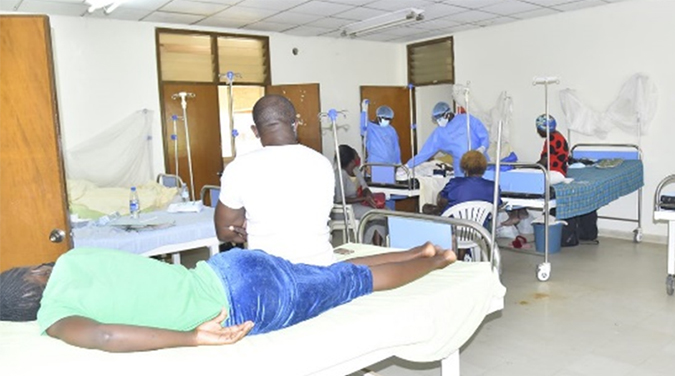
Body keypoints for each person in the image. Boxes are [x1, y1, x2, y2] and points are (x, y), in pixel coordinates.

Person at [0, 243, 455, 351]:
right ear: (28, 276)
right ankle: (422, 249)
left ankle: (437, 261)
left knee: (352, 284)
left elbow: (104, 335)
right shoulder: (72, 258)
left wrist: (194, 338)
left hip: (246, 300)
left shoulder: (56, 317)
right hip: (228, 265)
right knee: (333, 273)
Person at [215, 94, 336, 266]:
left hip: (269, 275)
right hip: (321, 268)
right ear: (295, 125)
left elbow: (225, 231)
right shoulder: (322, 163)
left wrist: (255, 228)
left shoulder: (239, 168)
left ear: (255, 131)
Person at [405, 102, 490, 177]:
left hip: (479, 162)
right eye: (436, 120)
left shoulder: (466, 119)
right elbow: (425, 152)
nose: (438, 122)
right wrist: (408, 166)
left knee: (482, 187)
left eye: (440, 118)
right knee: (462, 190)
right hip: (460, 167)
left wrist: (482, 148)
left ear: (447, 115)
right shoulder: (439, 133)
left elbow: (483, 133)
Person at [333, 144, 386, 245]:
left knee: (384, 211)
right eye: (356, 155)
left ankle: (377, 246)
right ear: (352, 160)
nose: (358, 157)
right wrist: (363, 198)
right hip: (346, 209)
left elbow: (364, 186)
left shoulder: (355, 170)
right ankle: (374, 245)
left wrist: (369, 196)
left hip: (358, 204)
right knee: (376, 214)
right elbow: (340, 200)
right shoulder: (340, 175)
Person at [422, 150, 498, 215]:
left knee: (426, 208)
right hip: (480, 229)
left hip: (455, 225)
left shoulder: (454, 183)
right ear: (484, 167)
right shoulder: (493, 187)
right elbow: (498, 206)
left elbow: (441, 202)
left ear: (464, 167)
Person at [535, 114, 570, 184]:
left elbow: (544, 161)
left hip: (555, 173)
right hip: (559, 172)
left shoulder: (552, 139)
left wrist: (531, 167)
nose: (537, 132)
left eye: (538, 129)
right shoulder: (557, 135)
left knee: (531, 181)